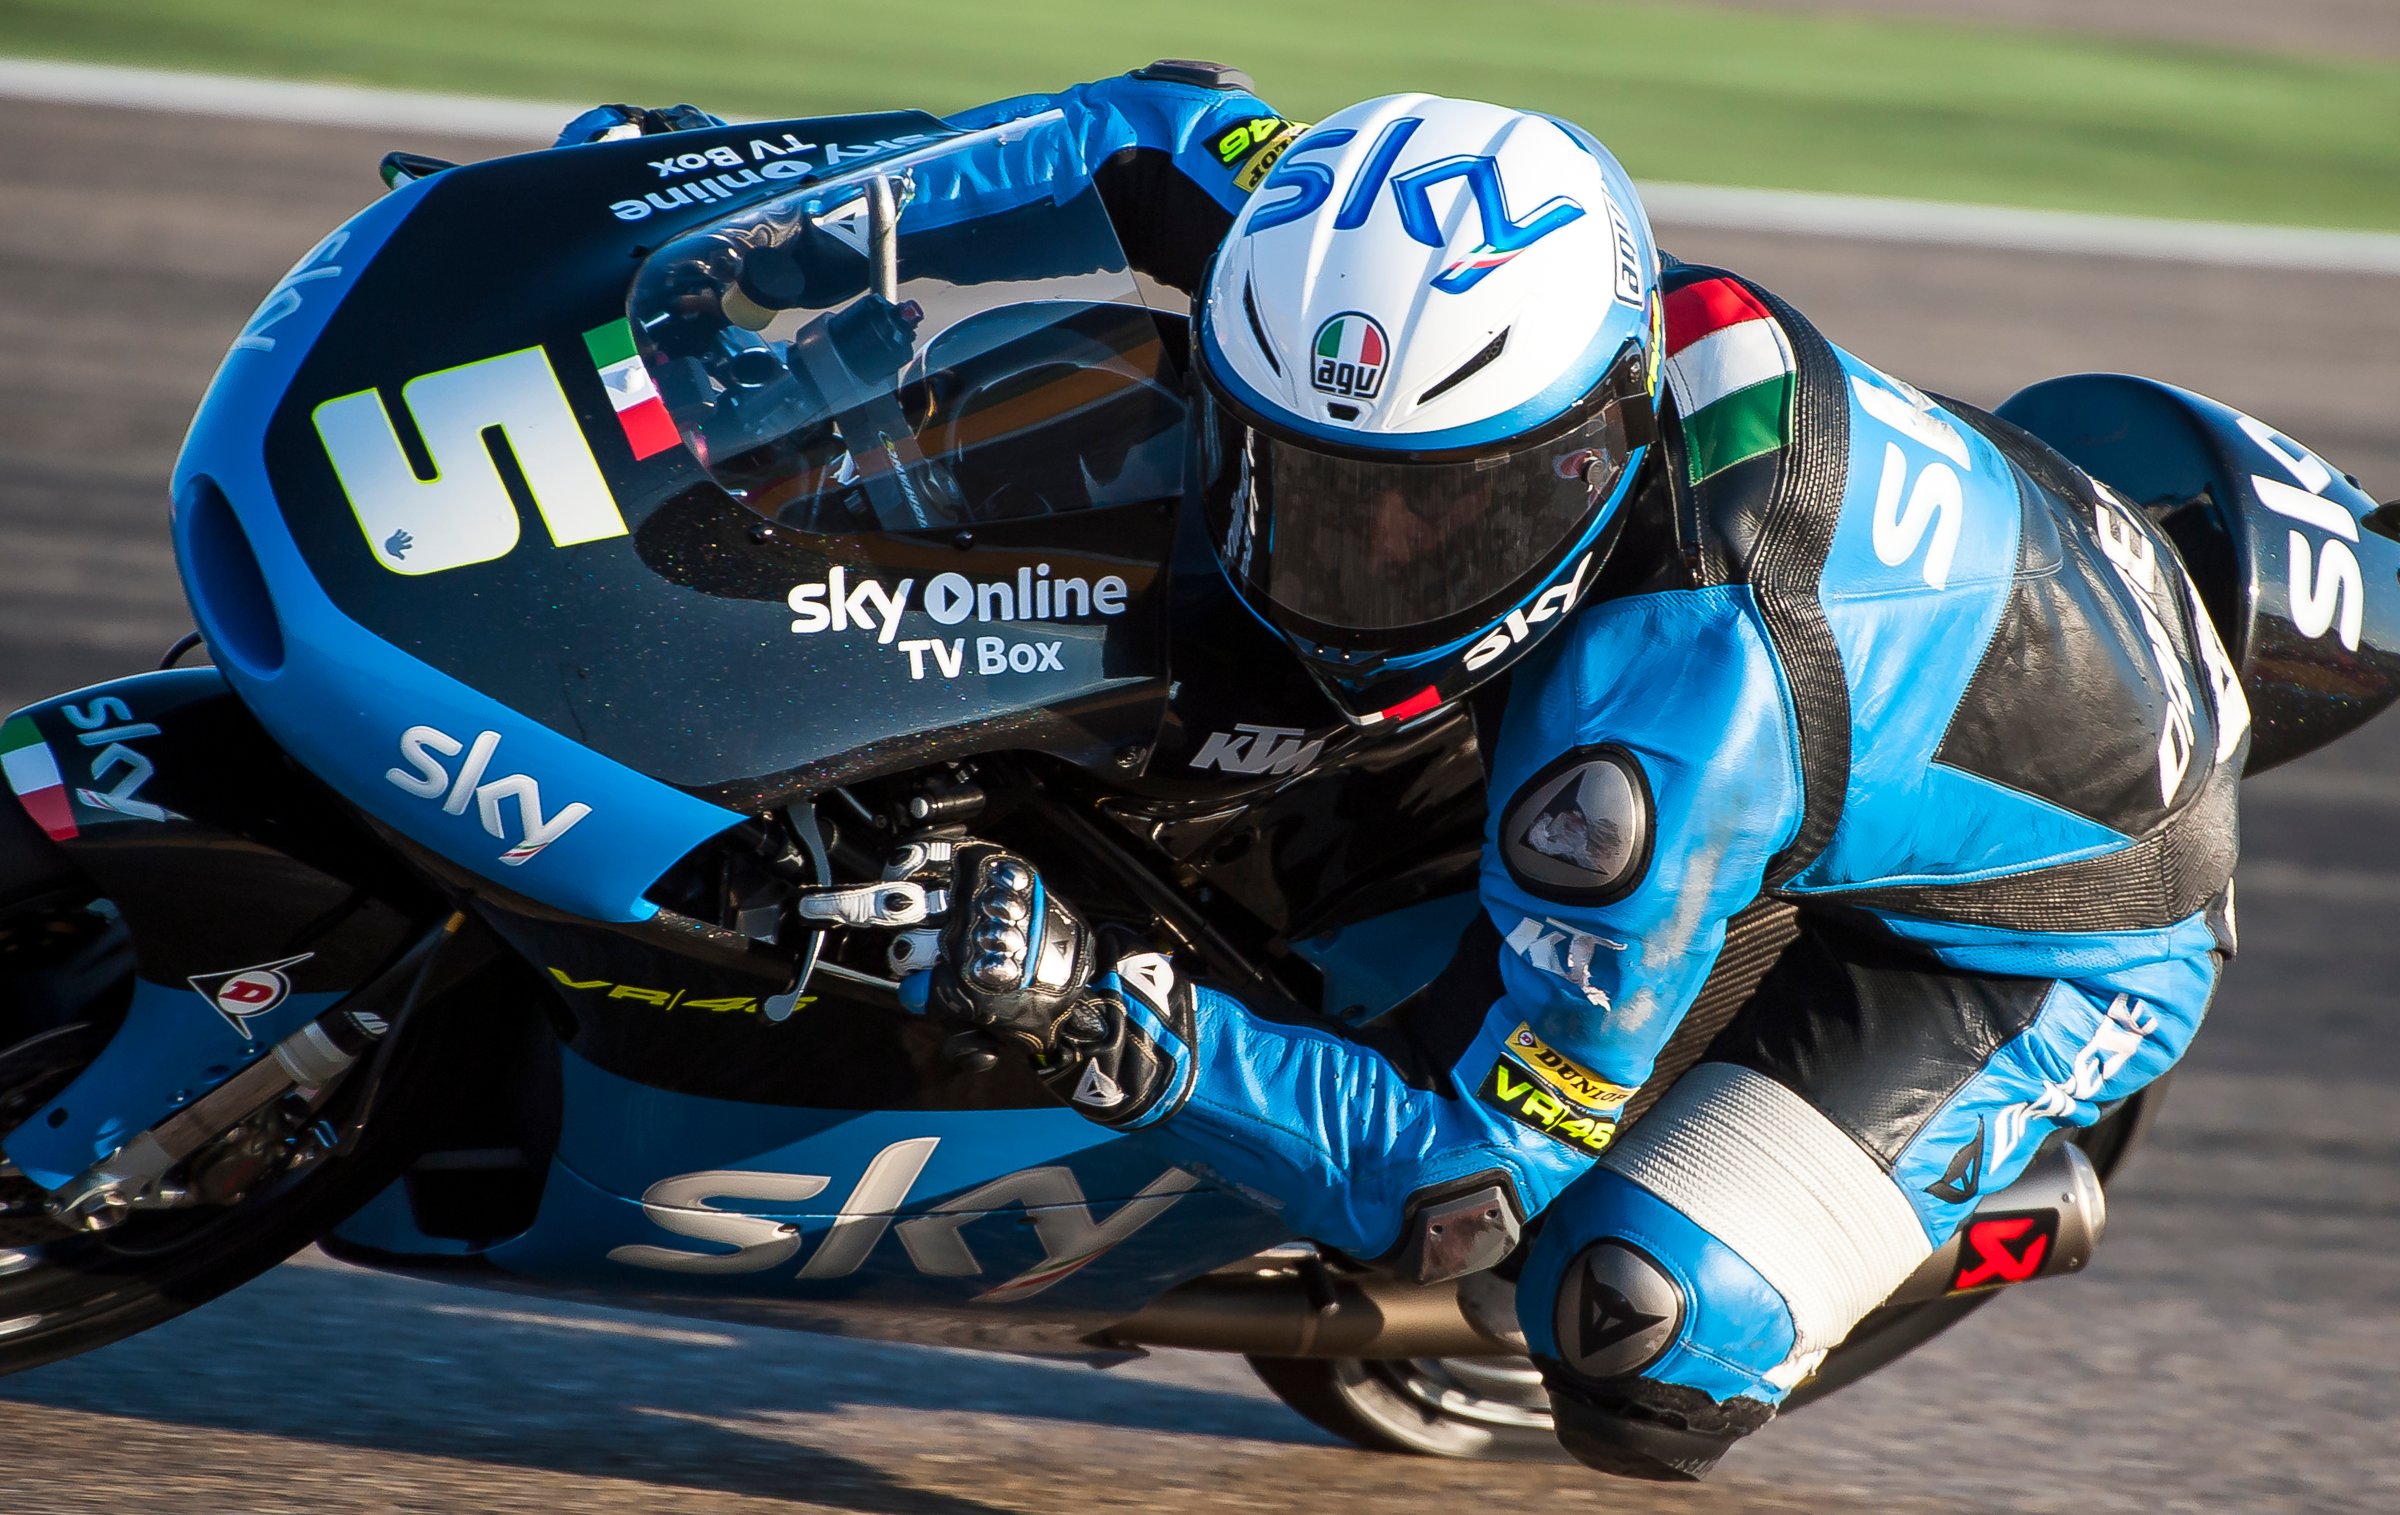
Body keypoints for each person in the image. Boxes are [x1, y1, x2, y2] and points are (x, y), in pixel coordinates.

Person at [565, 66, 2244, 1479]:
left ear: (1583, 450)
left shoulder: (1662, 744)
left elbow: (1463, 1172)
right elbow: (1141, 125)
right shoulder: (1342, 250)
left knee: (1640, 1344)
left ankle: (1894, 1186)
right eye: (1297, 475)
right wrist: (754, 222)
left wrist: (1091, 1014)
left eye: (1434, 518)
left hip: (2052, 915)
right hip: (1885, 644)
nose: (1348, 557)